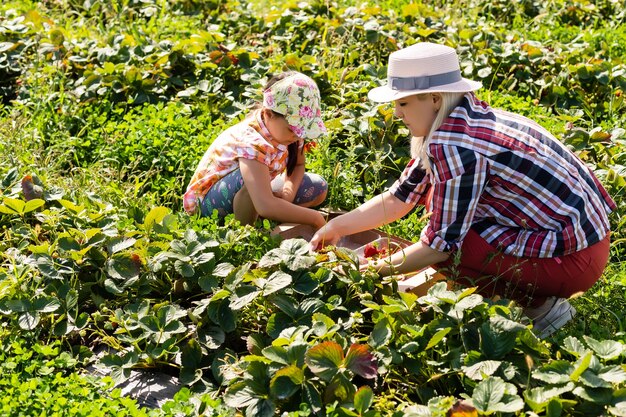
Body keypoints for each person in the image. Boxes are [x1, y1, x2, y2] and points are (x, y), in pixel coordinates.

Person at [310, 42, 616, 338]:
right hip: (582, 239)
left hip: (576, 260)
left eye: (403, 103)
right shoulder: (463, 121)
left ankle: (541, 308)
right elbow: (399, 198)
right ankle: (514, 288)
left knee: (451, 248)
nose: (397, 114)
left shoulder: (455, 146)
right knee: (440, 210)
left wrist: (370, 271)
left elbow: (438, 245)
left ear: (435, 99)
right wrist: (337, 225)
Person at [183, 71, 328, 229]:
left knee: (318, 187)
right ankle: (245, 231)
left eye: (303, 130)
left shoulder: (290, 135)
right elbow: (265, 204)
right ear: (268, 114)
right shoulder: (251, 142)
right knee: (249, 180)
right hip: (209, 203)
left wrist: (288, 193)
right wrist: (315, 219)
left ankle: (267, 216)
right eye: (293, 129)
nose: (298, 135)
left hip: (258, 192)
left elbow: (298, 165)